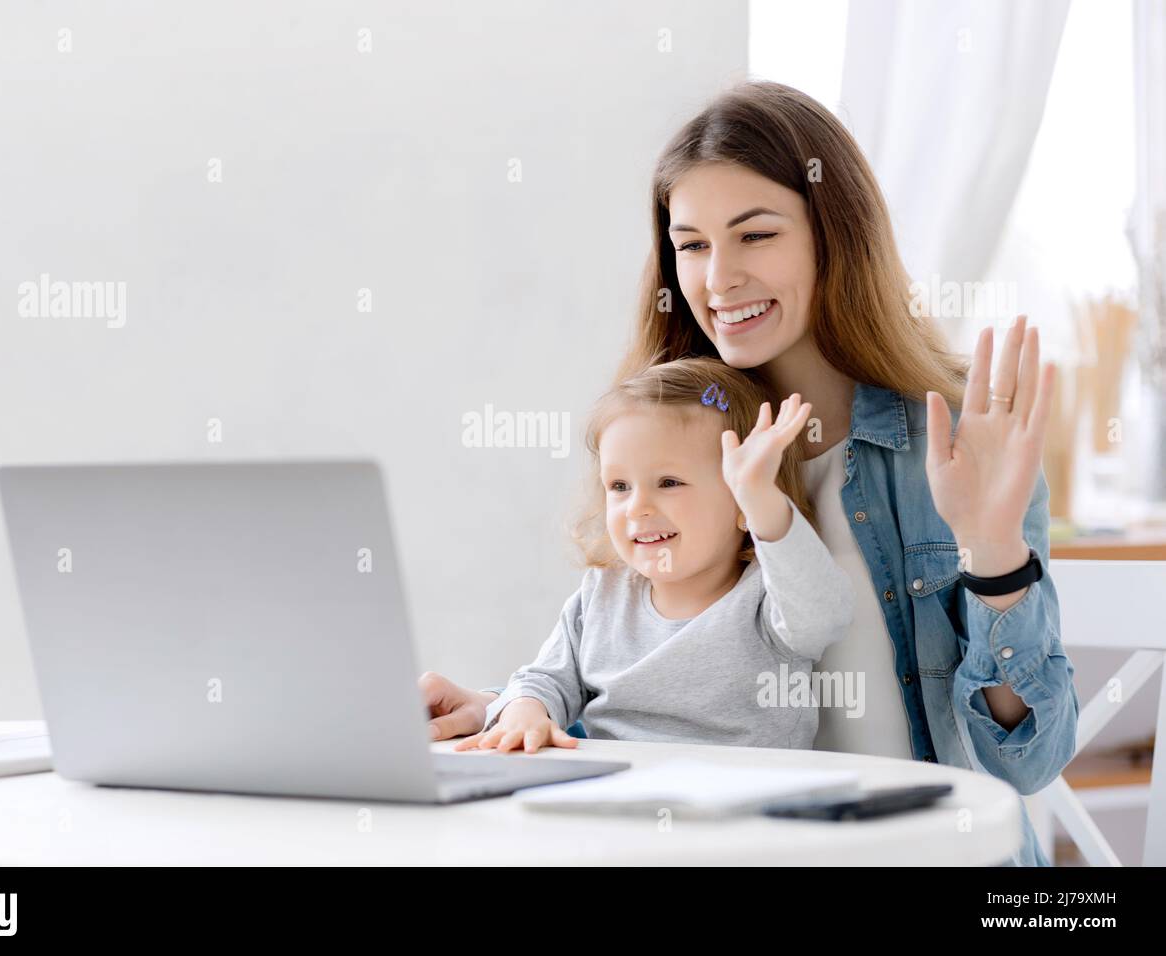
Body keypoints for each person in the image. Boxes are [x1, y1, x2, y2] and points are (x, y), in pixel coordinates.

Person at [420, 81, 1076, 867]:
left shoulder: (949, 443)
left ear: (835, 236)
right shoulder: (670, 447)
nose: (718, 278)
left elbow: (1025, 762)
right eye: (691, 244)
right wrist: (513, 710)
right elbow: (679, 711)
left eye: (754, 235)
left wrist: (995, 550)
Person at [456, 357, 852, 753]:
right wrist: (526, 709)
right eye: (620, 486)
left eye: (668, 482)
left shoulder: (767, 600)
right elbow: (547, 678)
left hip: (740, 798)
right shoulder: (603, 594)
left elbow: (823, 615)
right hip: (615, 791)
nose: (637, 507)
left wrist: (762, 499)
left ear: (740, 505)